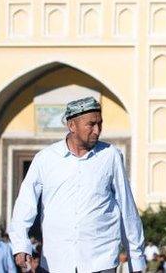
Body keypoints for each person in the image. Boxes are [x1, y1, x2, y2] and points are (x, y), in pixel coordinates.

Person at [9, 97, 146, 273]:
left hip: (100, 261)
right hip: (56, 262)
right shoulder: (45, 159)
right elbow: (24, 205)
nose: (97, 130)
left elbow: (127, 210)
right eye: (91, 124)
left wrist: (136, 258)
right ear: (72, 126)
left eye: (100, 124)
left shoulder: (110, 156)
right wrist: (21, 245)